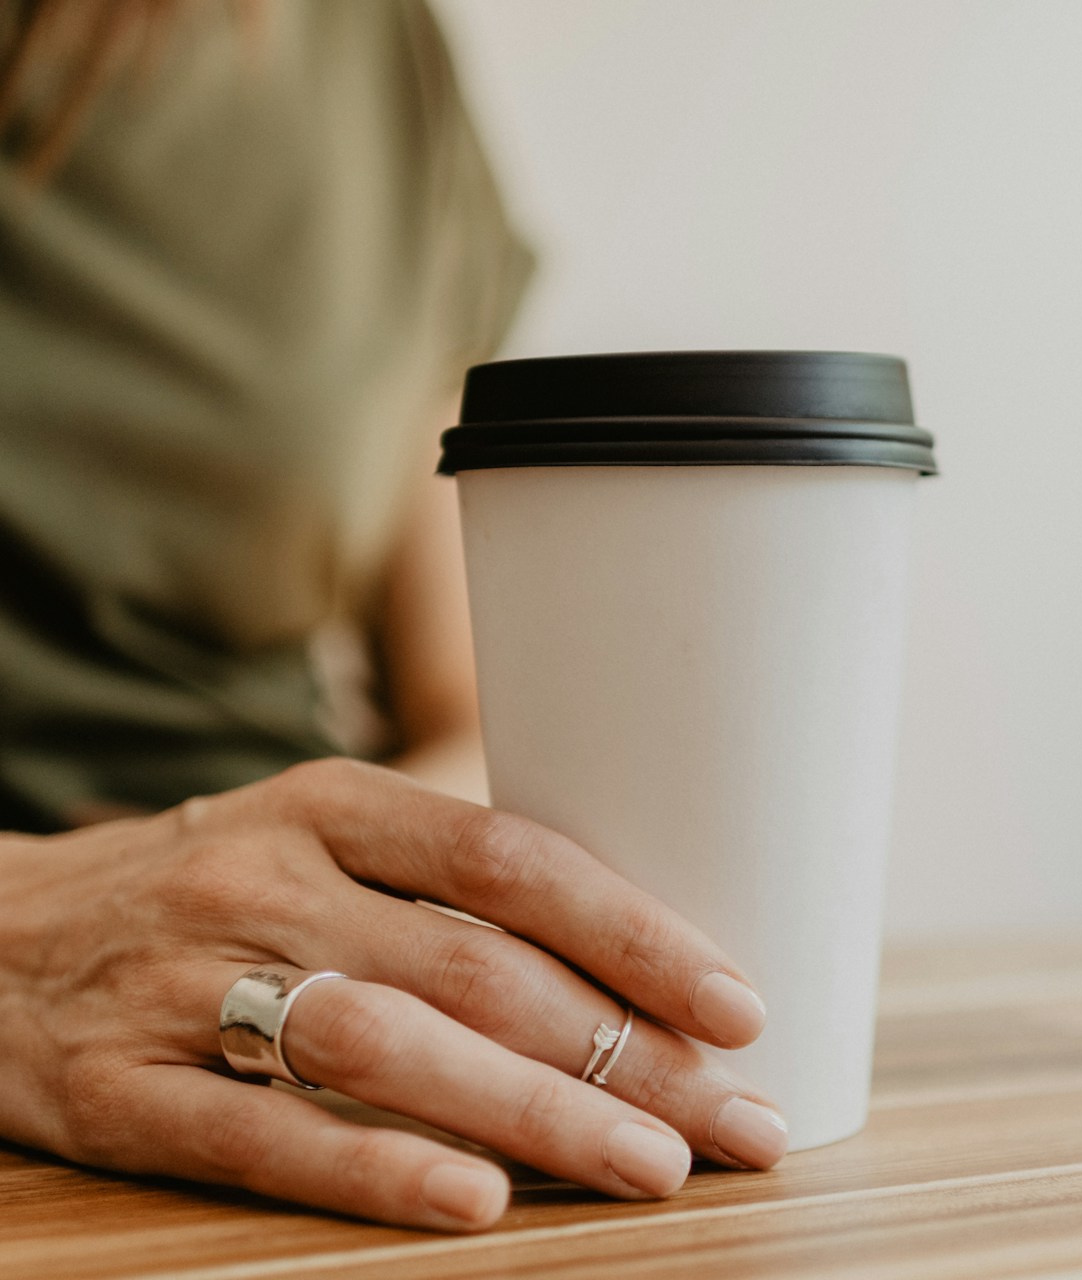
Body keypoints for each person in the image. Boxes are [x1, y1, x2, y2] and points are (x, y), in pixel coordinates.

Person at [0, 0, 788, 1233]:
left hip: (316, 1041)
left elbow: (470, 706)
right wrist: (31, 940)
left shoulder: (374, 44)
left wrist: (425, 914)